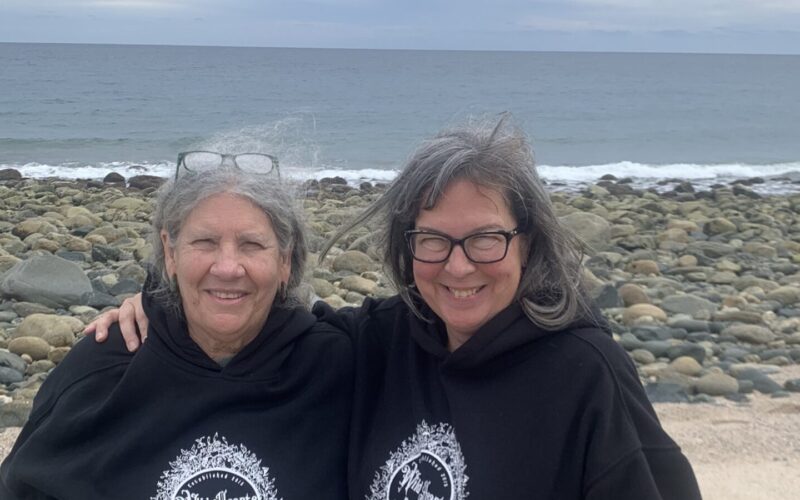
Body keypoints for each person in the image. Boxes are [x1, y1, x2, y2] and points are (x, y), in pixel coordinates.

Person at [88, 117, 702, 499]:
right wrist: (162, 301)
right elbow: (258, 323)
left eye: (485, 238)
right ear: (406, 249)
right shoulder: (382, 342)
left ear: (528, 242)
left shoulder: (585, 373)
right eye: (432, 240)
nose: (458, 266)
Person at [1, 154, 353, 499]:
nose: (227, 268)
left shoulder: (334, 365)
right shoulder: (107, 367)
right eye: (205, 242)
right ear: (170, 253)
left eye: (252, 244)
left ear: (285, 260)